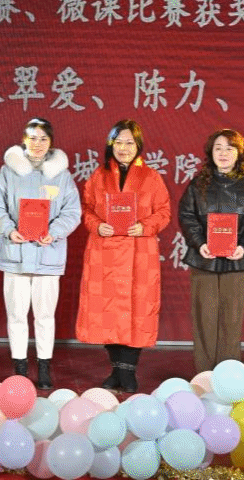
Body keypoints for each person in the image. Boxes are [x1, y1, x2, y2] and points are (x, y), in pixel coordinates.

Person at [75, 119, 171, 393]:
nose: (124, 148)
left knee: (137, 310)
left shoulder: (151, 177)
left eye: (130, 143)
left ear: (138, 146)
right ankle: (117, 369)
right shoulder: (98, 176)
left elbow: (164, 212)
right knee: (107, 312)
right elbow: (85, 208)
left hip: (139, 252)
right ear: (110, 145)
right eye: (119, 142)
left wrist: (145, 226)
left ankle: (127, 371)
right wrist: (96, 225)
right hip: (104, 251)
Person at [0, 118, 81, 389]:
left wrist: (55, 231)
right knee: (16, 314)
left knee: (45, 316)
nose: (38, 144)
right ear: (23, 140)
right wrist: (8, 230)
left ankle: (44, 365)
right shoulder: (8, 172)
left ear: (51, 143)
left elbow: (72, 212)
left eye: (43, 139)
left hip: (48, 254)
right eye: (33, 138)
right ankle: (19, 366)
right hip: (15, 254)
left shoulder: (62, 175)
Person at [178, 128, 244, 374]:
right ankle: (204, 374)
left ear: (239, 153)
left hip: (237, 259)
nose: (223, 153)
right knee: (204, 316)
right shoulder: (198, 183)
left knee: (231, 318)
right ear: (211, 153)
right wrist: (199, 242)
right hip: (204, 258)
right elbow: (186, 215)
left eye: (229, 148)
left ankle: (228, 375)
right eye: (218, 148)